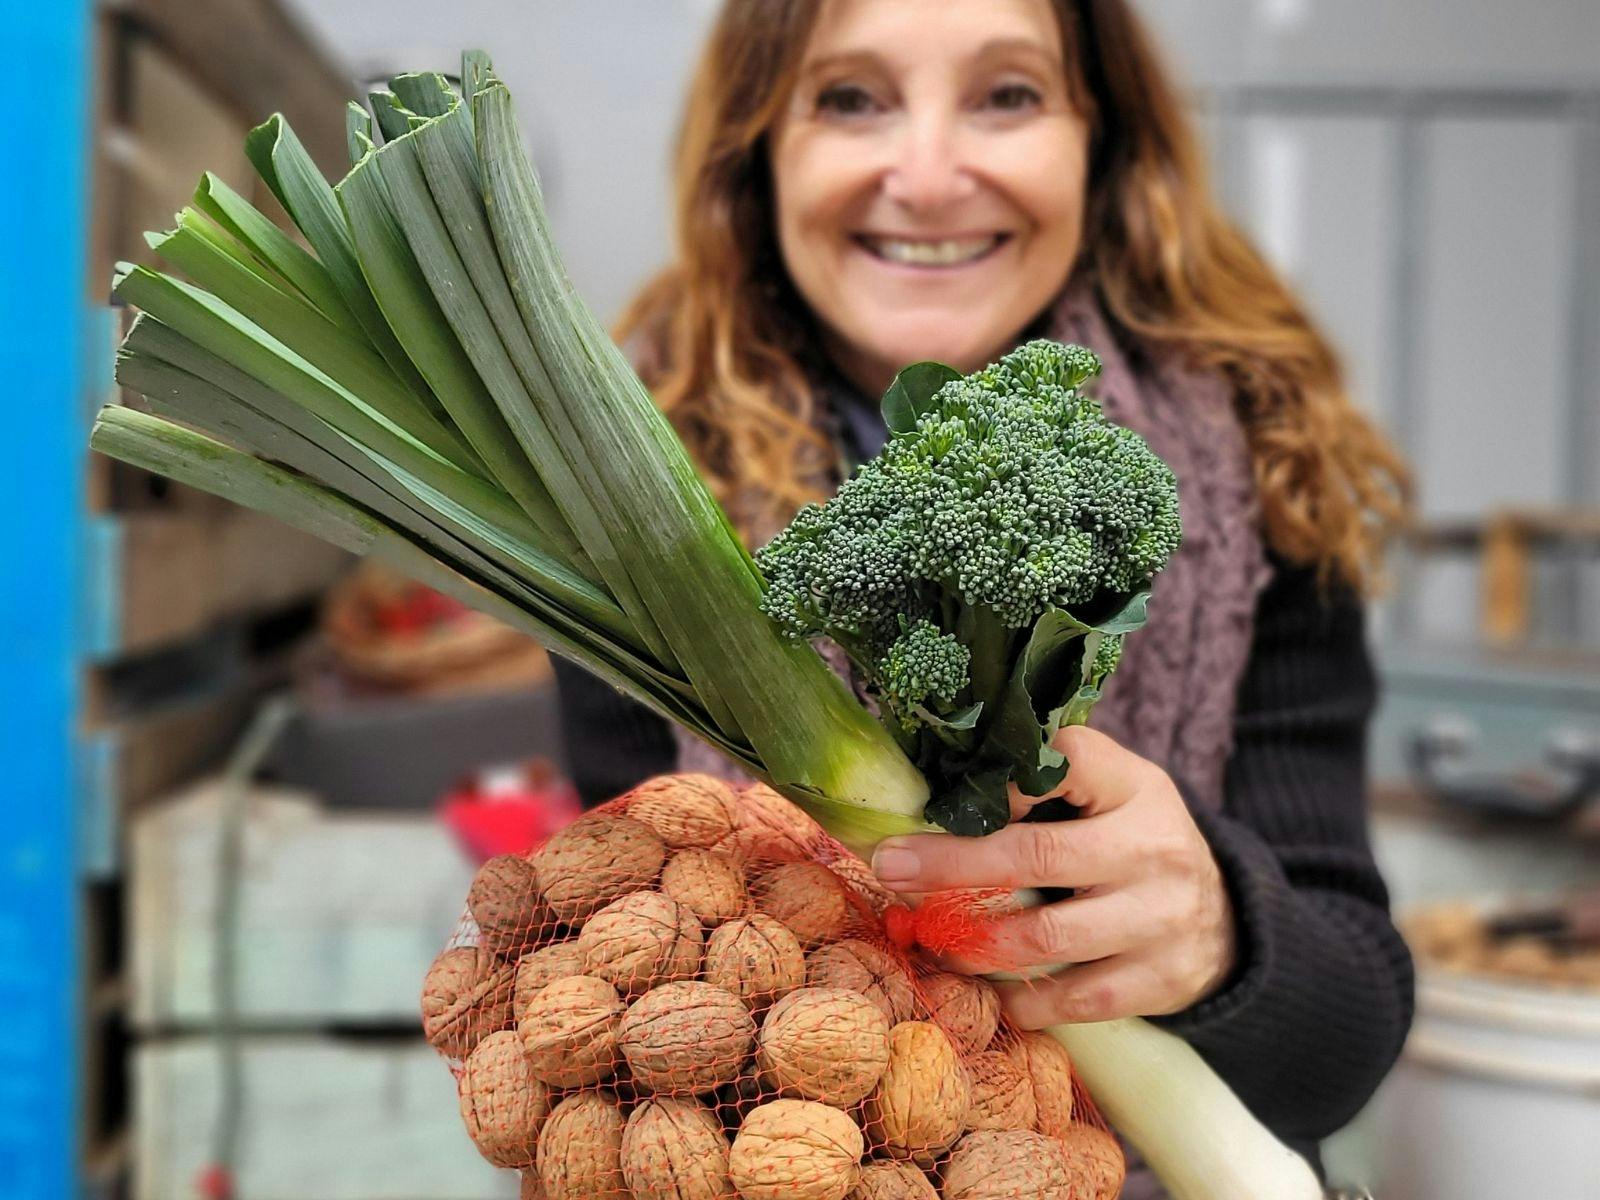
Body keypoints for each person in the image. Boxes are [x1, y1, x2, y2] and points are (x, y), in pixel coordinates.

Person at [552, 0, 1414, 1190]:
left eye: (1007, 94)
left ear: (1099, 139)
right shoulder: (626, 509)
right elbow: (630, 988)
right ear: (756, 149)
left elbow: (1348, 1041)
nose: (927, 175)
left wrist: (1220, 932)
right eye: (850, 98)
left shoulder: (1259, 459)